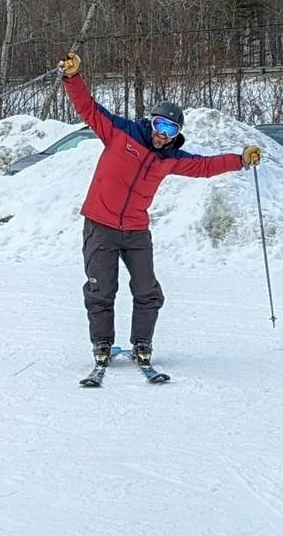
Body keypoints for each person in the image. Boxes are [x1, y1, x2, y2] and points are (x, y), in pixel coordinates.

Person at [57, 51, 262, 370]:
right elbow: (87, 107)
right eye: (159, 124)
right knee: (101, 289)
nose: (162, 133)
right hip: (100, 224)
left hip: (136, 230)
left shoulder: (170, 158)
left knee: (147, 289)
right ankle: (102, 342)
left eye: (170, 129)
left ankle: (142, 341)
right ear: (150, 121)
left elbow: (204, 166)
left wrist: (240, 159)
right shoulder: (119, 132)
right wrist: (73, 77)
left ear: (176, 133)